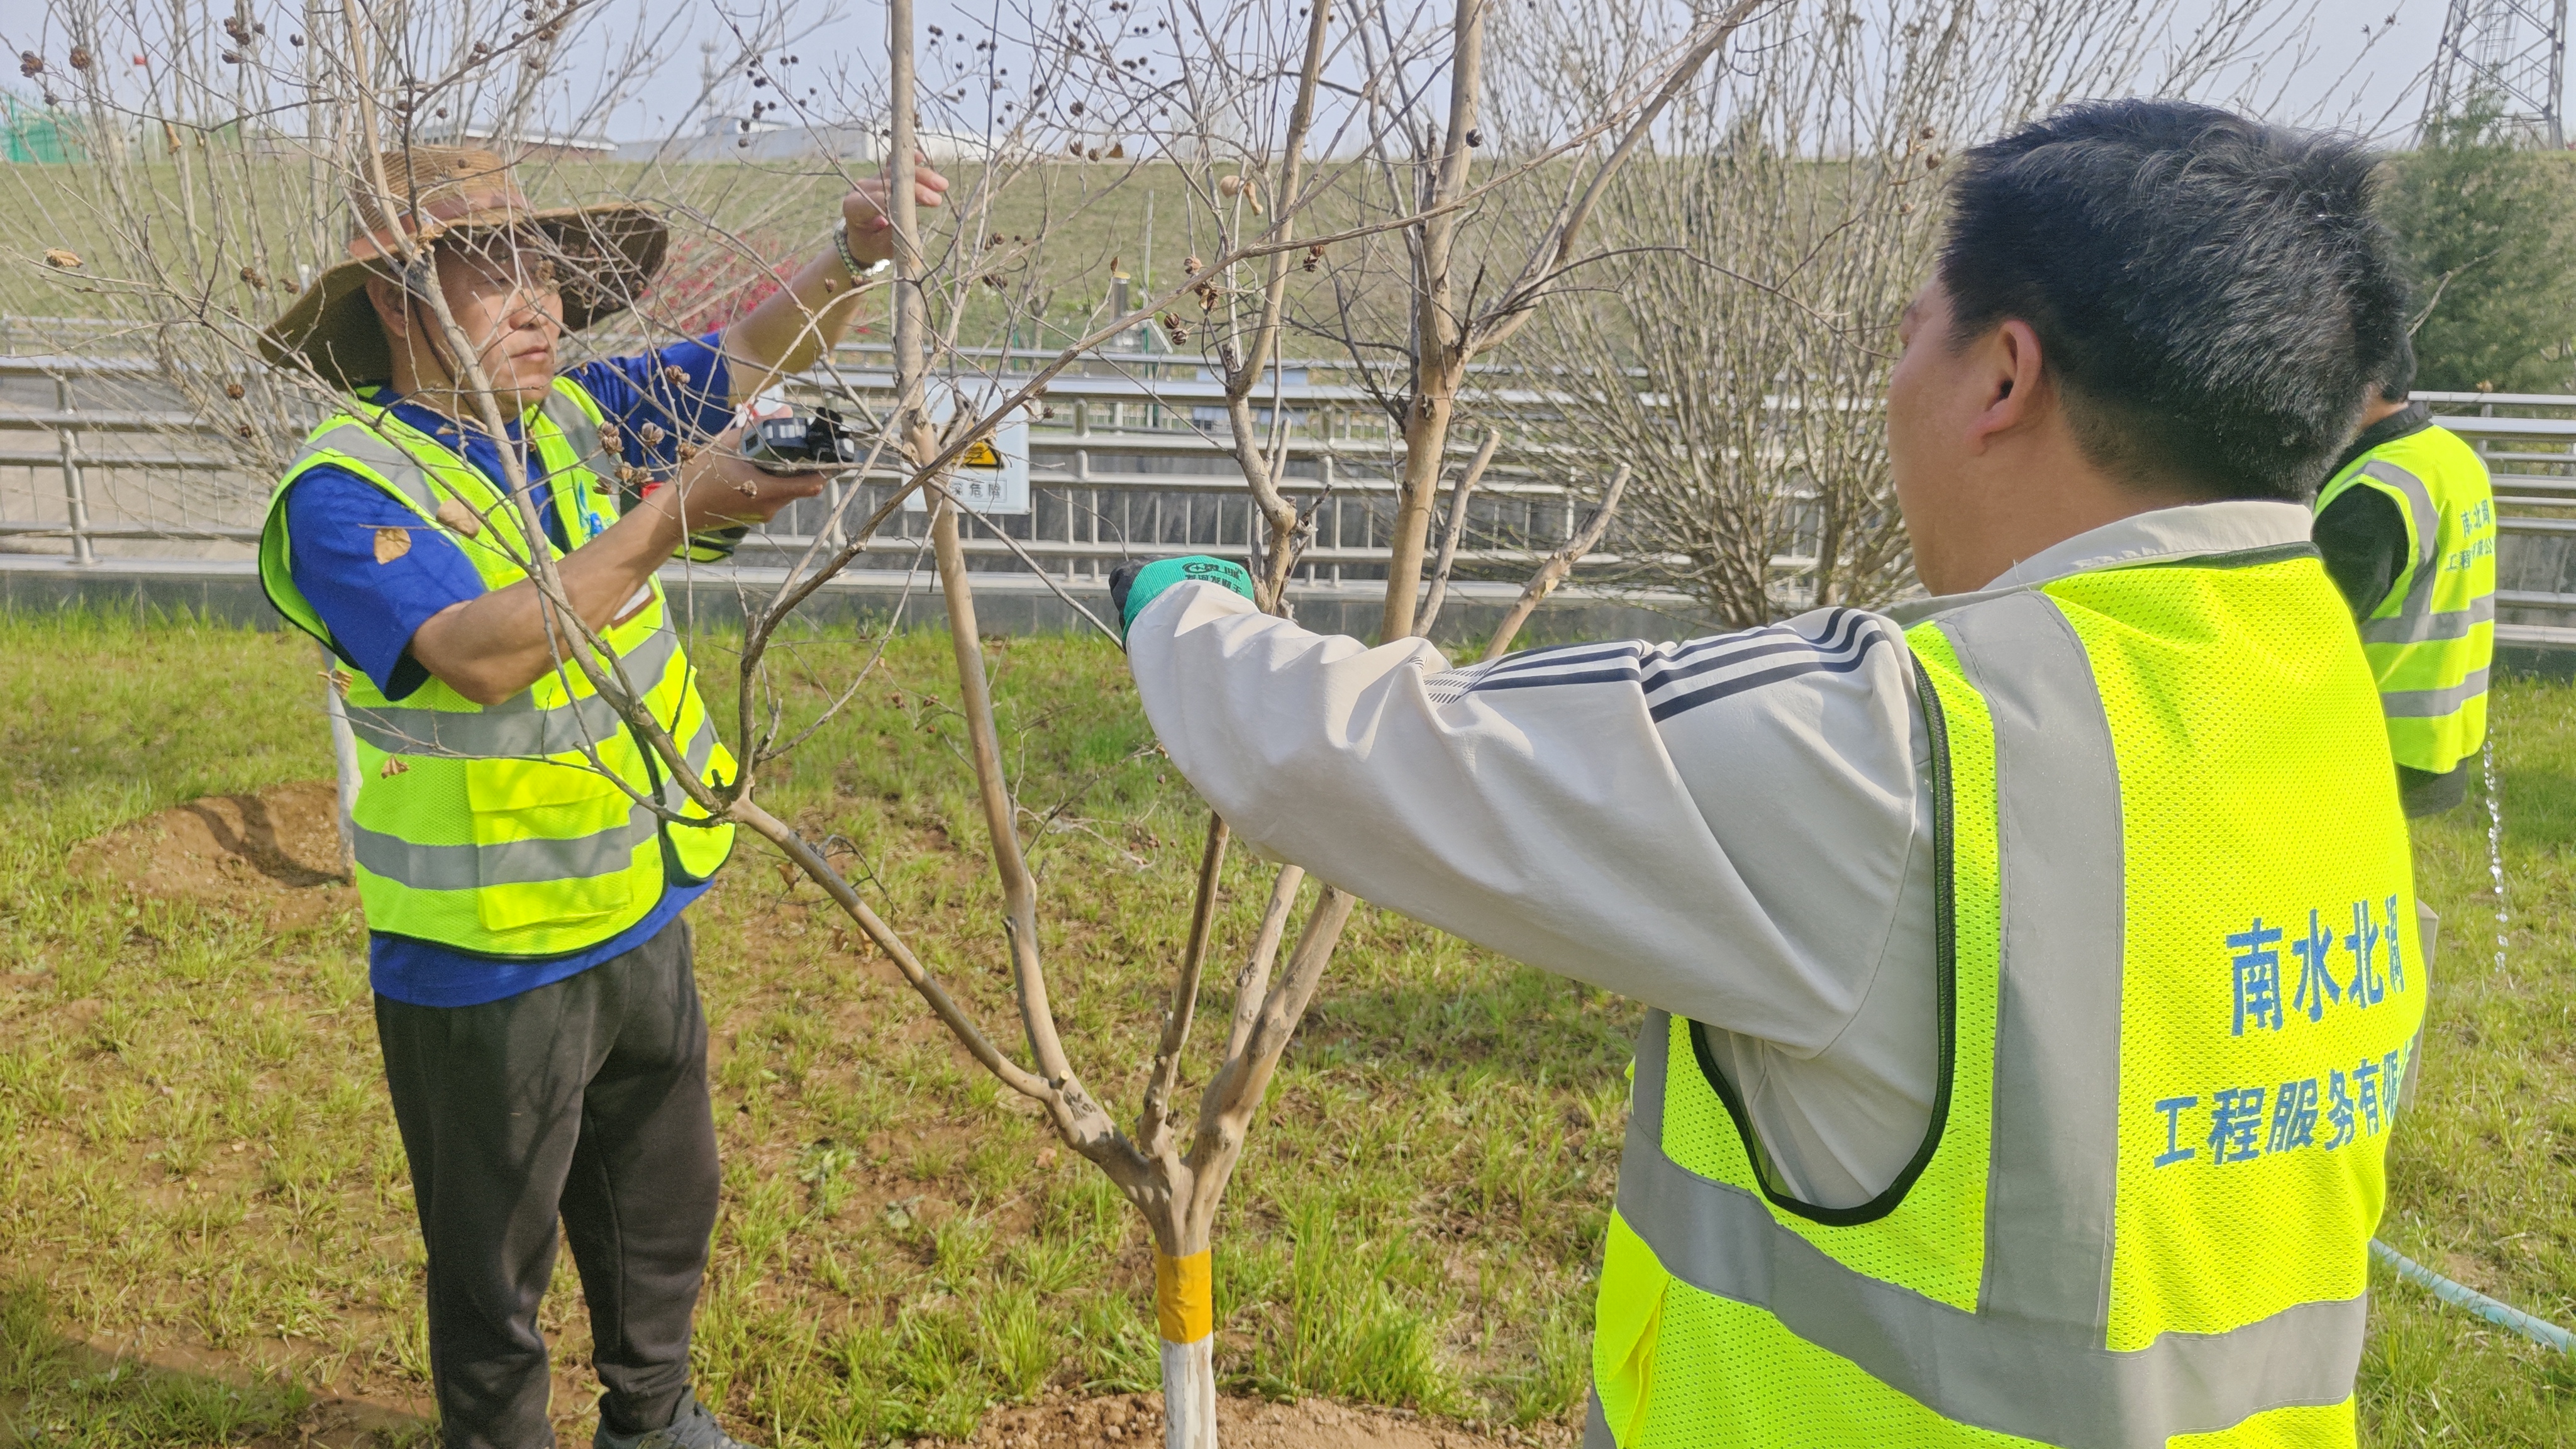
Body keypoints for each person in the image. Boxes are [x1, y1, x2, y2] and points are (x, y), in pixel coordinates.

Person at [1112, 103, 2420, 1447]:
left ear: (2001, 377)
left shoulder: (1905, 750)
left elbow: (1388, 755)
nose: (1894, 373)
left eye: (1913, 330)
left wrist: (1179, 616)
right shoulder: (2314, 686)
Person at [253, 145, 945, 1449]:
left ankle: (651, 1416)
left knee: (659, 1207)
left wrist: (852, 256)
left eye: (550, 278)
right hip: (484, 960)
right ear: (397, 302)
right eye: (492, 276)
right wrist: (678, 509)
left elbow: (747, 360)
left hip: (633, 906)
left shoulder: (571, 418)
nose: (541, 310)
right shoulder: (345, 494)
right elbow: (481, 650)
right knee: (491, 1269)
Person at [2312, 331, 2497, 817]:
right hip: (2441, 726)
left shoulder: (2374, 491)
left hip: (2372, 742)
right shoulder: (2453, 456)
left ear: (2368, 384)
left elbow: (2314, 630)